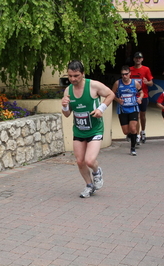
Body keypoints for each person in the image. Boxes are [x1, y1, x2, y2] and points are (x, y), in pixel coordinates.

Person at [61, 60, 115, 198]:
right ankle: (89, 185)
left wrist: (100, 109)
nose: (73, 79)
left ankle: (97, 172)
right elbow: (67, 114)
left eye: (76, 76)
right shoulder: (68, 90)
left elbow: (111, 94)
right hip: (79, 130)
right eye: (70, 76)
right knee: (80, 161)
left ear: (83, 74)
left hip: (95, 129)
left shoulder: (93, 85)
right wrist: (65, 106)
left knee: (89, 160)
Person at [112, 65, 142, 156]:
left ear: (130, 74)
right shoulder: (118, 83)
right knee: (126, 131)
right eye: (122, 74)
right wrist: (118, 100)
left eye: (126, 74)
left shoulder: (135, 83)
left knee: (133, 128)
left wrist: (140, 98)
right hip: (122, 109)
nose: (124, 76)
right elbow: (112, 94)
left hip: (133, 108)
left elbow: (141, 91)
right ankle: (133, 136)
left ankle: (133, 148)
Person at [130, 52, 154, 144]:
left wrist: (147, 82)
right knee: (136, 116)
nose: (138, 59)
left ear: (142, 59)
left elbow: (151, 83)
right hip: (133, 96)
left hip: (144, 95)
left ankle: (143, 131)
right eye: (136, 58)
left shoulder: (146, 69)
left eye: (139, 58)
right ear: (134, 59)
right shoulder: (130, 70)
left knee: (142, 116)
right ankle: (136, 135)